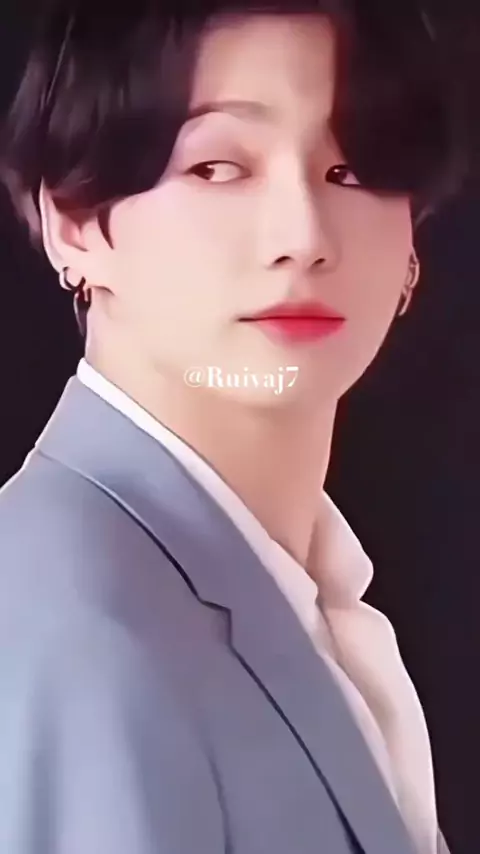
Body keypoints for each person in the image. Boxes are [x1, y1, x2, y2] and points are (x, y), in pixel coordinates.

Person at [0, 1, 465, 852]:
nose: (303, 236)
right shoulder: (75, 632)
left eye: (352, 169)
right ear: (73, 222)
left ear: (413, 241)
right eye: (217, 167)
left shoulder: (311, 598)